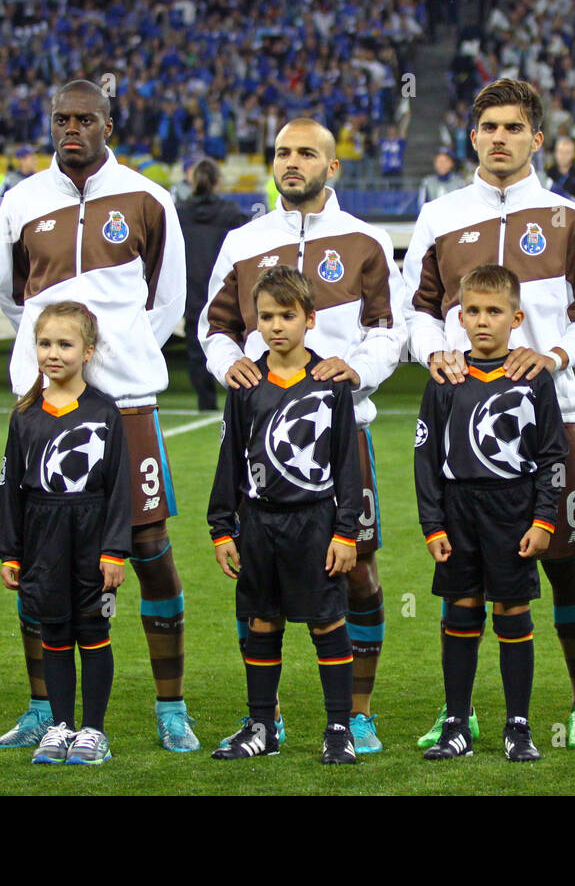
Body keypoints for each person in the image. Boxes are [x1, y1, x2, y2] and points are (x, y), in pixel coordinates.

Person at [402, 77, 575, 750]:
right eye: (489, 126)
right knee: (461, 576)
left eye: (513, 127)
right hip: (463, 425)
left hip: (552, 422)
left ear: (537, 138)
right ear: (472, 136)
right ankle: (455, 712)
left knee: (565, 560)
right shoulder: (438, 215)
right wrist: (436, 351)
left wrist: (551, 355)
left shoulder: (568, 216)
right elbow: (414, 309)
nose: (500, 138)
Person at [0, 79, 195, 752]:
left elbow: (168, 300)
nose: (72, 128)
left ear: (110, 122)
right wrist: (51, 360)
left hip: (129, 401)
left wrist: (120, 355)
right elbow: (15, 299)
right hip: (45, 404)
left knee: (147, 548)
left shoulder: (147, 197)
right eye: (61, 118)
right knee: (39, 557)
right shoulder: (20, 201)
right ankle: (42, 708)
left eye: (85, 118)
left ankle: (172, 705)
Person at [200, 117, 406, 754]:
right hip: (261, 434)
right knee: (258, 590)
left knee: (358, 574)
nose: (292, 162)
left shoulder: (365, 241)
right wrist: (224, 363)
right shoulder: (243, 241)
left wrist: (359, 372)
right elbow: (216, 326)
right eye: (283, 152)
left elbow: (389, 331)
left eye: (307, 153)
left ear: (332, 166)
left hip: (337, 439)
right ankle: (270, 718)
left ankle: (356, 714)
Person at [207, 267, 362, 765]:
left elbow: (347, 464)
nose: (276, 326)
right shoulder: (246, 383)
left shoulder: (330, 382)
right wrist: (221, 527)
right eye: (266, 317)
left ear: (310, 319)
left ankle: (339, 728)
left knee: (326, 622)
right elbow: (229, 456)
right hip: (258, 524)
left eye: (288, 316)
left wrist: (345, 531)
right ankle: (262, 726)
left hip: (315, 522)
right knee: (263, 622)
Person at [415, 264, 567, 762]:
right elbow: (426, 456)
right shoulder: (445, 379)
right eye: (473, 311)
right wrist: (432, 522)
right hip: (458, 511)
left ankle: (517, 726)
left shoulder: (534, 379)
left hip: (513, 509)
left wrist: (544, 520)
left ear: (516, 317)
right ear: (459, 317)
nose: (482, 321)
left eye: (494, 311)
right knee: (460, 612)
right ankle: (456, 723)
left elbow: (552, 455)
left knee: (512, 611)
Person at [0, 302, 131, 766]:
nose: (53, 353)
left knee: (92, 630)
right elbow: (10, 489)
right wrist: (10, 552)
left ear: (88, 351)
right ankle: (59, 725)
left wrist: (115, 550)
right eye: (45, 343)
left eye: (65, 344)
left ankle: (93, 730)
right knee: (53, 630)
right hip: (43, 539)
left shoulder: (104, 411)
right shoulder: (25, 414)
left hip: (92, 538)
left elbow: (119, 488)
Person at [174, 158, 248, 411]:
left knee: (197, 350)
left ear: (192, 179)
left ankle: (205, 403)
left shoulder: (179, 213)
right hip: (226, 290)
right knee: (238, 343)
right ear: (217, 181)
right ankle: (240, 399)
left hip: (192, 290)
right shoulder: (231, 213)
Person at [546, 135, 575, 203]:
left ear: (573, 154)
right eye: (561, 152)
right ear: (555, 153)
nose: (563, 156)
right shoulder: (547, 174)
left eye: (567, 152)